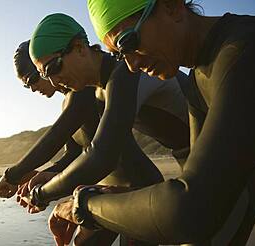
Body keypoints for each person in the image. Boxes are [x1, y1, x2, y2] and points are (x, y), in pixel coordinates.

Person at [46, 0, 255, 245]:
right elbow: (191, 183)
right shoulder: (198, 80)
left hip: (234, 188)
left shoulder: (246, 49)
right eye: (119, 54)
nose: (131, 64)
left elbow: (191, 210)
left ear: (172, 7)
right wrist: (116, 200)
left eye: (128, 42)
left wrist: (85, 206)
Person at [19, 13, 192, 244]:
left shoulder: (125, 72)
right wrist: (56, 180)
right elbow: (91, 151)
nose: (52, 82)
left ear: (80, 48)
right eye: (43, 75)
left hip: (216, 172)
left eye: (52, 68)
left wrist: (42, 194)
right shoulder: (101, 91)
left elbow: (103, 156)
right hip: (191, 170)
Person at [0, 41, 165, 245]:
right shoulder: (69, 100)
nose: (32, 88)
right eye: (25, 85)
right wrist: (45, 174)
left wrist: (14, 174)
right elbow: (74, 154)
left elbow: (59, 137)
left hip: (136, 186)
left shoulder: (84, 90)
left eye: (32, 79)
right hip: (105, 188)